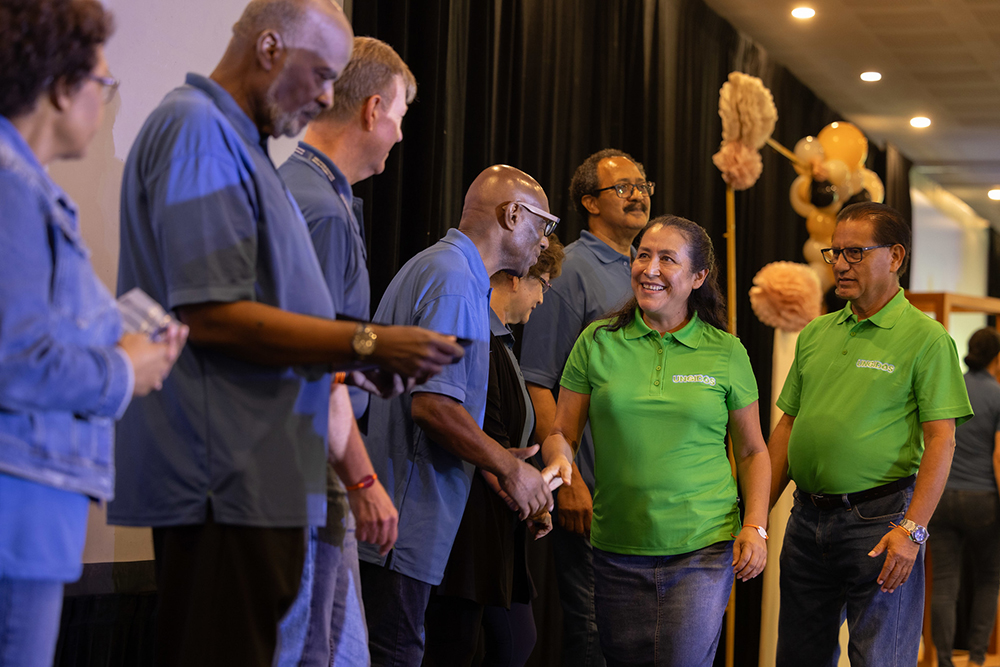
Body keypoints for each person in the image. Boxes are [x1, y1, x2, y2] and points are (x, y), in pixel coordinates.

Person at [109, 2, 463, 665]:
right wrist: (366, 343)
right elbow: (210, 312)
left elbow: (266, 314)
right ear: (270, 47)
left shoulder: (243, 149)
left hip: (259, 477)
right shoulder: (197, 128)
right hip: (222, 475)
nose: (328, 97)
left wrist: (355, 362)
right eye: (322, 75)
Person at [0, 2, 186, 665]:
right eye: (103, 83)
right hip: (18, 512)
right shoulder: (12, 188)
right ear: (60, 88)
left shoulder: (26, 185)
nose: (105, 102)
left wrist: (124, 340)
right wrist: (126, 369)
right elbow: (17, 361)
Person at [541, 216, 770, 667]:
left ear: (698, 277)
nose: (650, 268)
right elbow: (562, 433)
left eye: (667, 259)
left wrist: (756, 526)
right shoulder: (597, 341)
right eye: (643, 255)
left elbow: (751, 451)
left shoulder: (726, 351)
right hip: (615, 547)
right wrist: (559, 465)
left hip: (702, 548)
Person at [359, 164, 558, 666]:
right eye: (543, 224)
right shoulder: (452, 277)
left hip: (408, 525)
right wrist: (510, 468)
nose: (544, 241)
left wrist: (498, 470)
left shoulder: (452, 271)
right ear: (512, 215)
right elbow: (433, 406)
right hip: (403, 526)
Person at [768, 202, 973, 667]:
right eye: (835, 252)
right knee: (798, 657)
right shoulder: (816, 333)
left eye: (855, 252)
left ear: (895, 256)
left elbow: (942, 441)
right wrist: (756, 518)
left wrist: (912, 531)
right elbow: (788, 426)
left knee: (880, 659)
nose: (840, 264)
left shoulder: (927, 339)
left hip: (881, 524)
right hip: (806, 523)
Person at [275, 36, 417, 667]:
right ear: (373, 109)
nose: (400, 136)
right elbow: (317, 365)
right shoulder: (322, 211)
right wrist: (363, 480)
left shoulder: (307, 190)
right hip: (304, 471)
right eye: (400, 117)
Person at [520, 148, 651, 667]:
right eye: (623, 187)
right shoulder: (573, 268)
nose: (638, 194)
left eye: (643, 185)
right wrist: (568, 479)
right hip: (590, 492)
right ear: (590, 203)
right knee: (595, 637)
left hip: (640, 498)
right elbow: (538, 381)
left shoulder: (646, 269)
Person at [424, 236, 565, 667]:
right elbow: (488, 435)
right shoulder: (481, 338)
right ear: (516, 278)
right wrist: (529, 496)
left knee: (512, 641)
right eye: (542, 283)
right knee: (461, 646)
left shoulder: (501, 341)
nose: (542, 298)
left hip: (496, 524)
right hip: (467, 524)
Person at [929, 327, 1000, 667]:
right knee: (989, 579)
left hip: (941, 496)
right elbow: (999, 456)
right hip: (984, 499)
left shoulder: (951, 386)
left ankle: (943, 661)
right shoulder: (997, 394)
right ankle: (976, 659)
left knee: (944, 582)